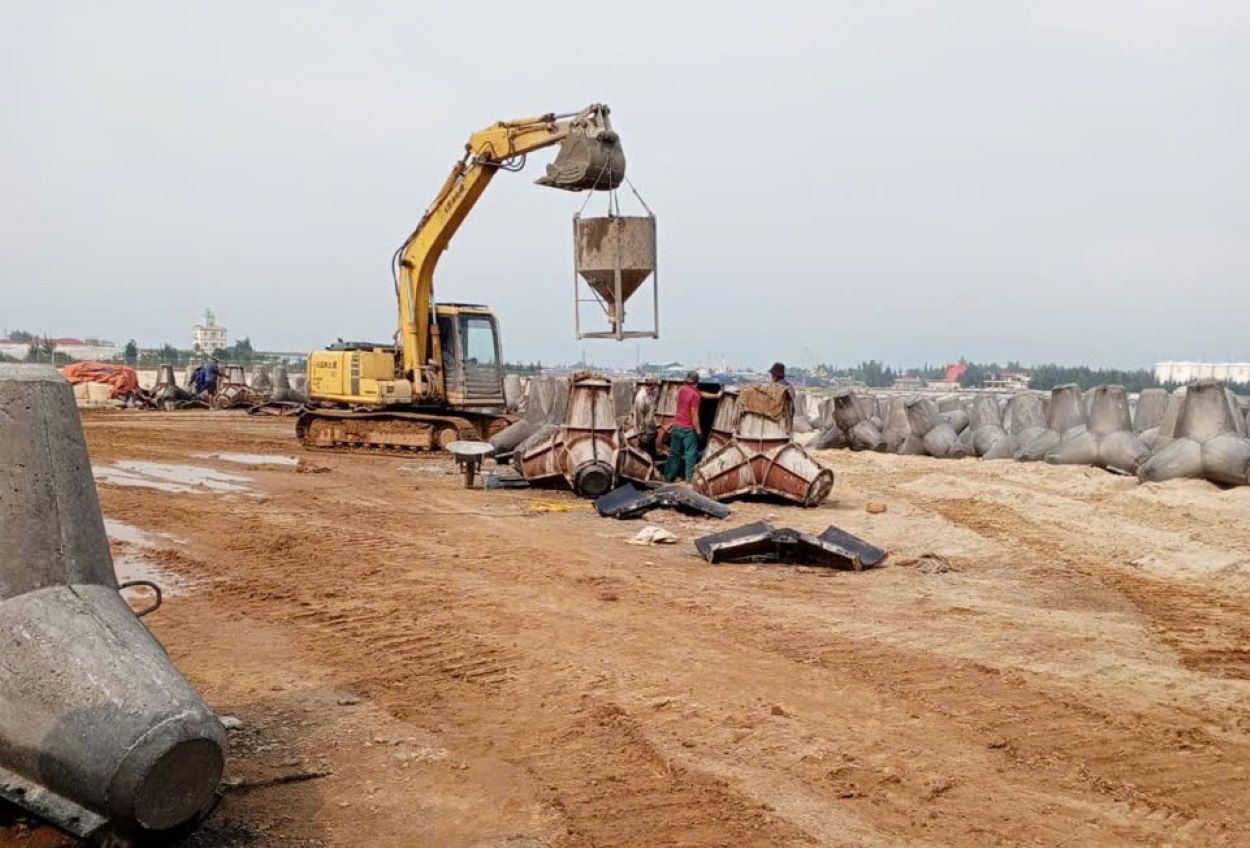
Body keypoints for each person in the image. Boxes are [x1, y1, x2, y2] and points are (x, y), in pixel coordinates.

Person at [663, 371, 703, 483]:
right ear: (697, 382)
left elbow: (699, 393)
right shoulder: (695, 395)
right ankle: (689, 479)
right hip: (687, 429)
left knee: (674, 454)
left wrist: (715, 395)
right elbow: (694, 415)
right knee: (691, 454)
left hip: (676, 426)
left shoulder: (681, 390)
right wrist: (699, 432)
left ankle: (668, 477)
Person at [632, 378, 659, 458]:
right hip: (645, 433)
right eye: (655, 385)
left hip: (650, 431)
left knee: (652, 455)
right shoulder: (641, 397)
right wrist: (641, 432)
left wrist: (654, 428)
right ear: (653, 385)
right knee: (645, 456)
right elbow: (639, 416)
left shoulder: (649, 395)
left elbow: (650, 414)